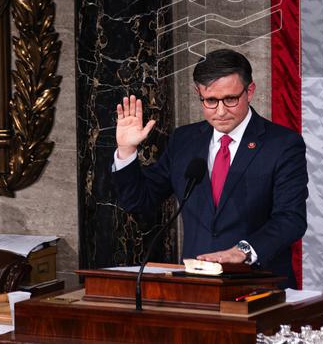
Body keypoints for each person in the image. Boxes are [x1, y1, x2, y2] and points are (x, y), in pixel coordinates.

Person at [111, 49, 307, 288]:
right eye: (211, 101)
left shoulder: (282, 144)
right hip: (197, 287)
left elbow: (291, 219)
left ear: (250, 91)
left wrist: (243, 251)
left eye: (231, 99)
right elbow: (139, 201)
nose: (221, 111)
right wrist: (126, 151)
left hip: (260, 285)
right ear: (198, 94)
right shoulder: (184, 141)